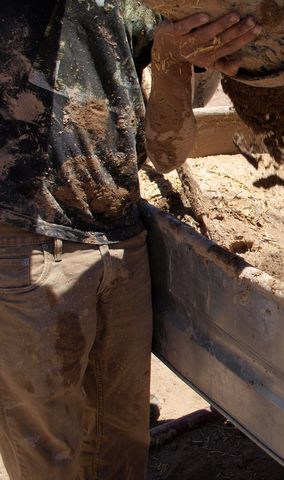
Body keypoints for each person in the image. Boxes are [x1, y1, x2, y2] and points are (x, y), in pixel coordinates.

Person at [0, 1, 260, 479]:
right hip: (29, 241)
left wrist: (173, 58)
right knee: (47, 458)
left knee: (120, 445)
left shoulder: (138, 11)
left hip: (121, 241)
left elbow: (167, 152)